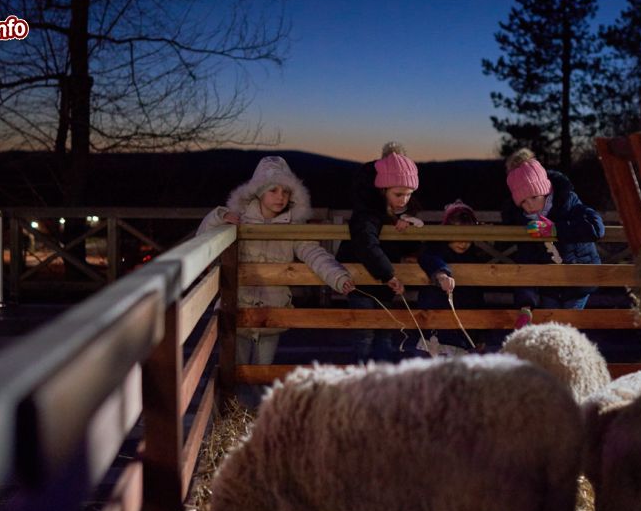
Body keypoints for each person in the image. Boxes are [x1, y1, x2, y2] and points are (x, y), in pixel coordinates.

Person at [198, 156, 354, 366]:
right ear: (259, 191)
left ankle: (260, 399)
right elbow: (202, 238)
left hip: (273, 310)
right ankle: (236, 400)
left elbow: (314, 253)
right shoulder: (238, 219)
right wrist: (218, 217)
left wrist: (337, 276)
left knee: (263, 370)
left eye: (286, 191)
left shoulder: (293, 226)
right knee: (236, 369)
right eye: (273, 190)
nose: (280, 197)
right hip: (238, 306)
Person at [336, 142, 423, 362]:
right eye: (398, 194)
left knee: (385, 332)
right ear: (383, 190)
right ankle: (362, 378)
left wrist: (408, 230)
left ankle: (382, 381)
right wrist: (388, 274)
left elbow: (414, 249)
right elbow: (366, 242)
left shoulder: (406, 212)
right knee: (364, 334)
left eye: (409, 194)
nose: (404, 200)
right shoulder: (366, 213)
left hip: (386, 284)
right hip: (361, 282)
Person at [500, 148, 604, 328]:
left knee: (567, 331)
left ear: (545, 191)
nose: (530, 205)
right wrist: (525, 305)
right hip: (550, 288)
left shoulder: (568, 202)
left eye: (534, 197)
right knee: (550, 330)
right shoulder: (525, 222)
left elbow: (596, 227)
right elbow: (527, 263)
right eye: (523, 202)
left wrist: (555, 230)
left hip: (578, 281)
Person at [417, 200, 490, 354]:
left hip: (465, 334)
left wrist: (480, 335)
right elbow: (429, 258)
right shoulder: (435, 250)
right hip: (437, 334)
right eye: (456, 235)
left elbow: (478, 299)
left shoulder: (475, 259)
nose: (463, 242)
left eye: (468, 237)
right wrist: (441, 274)